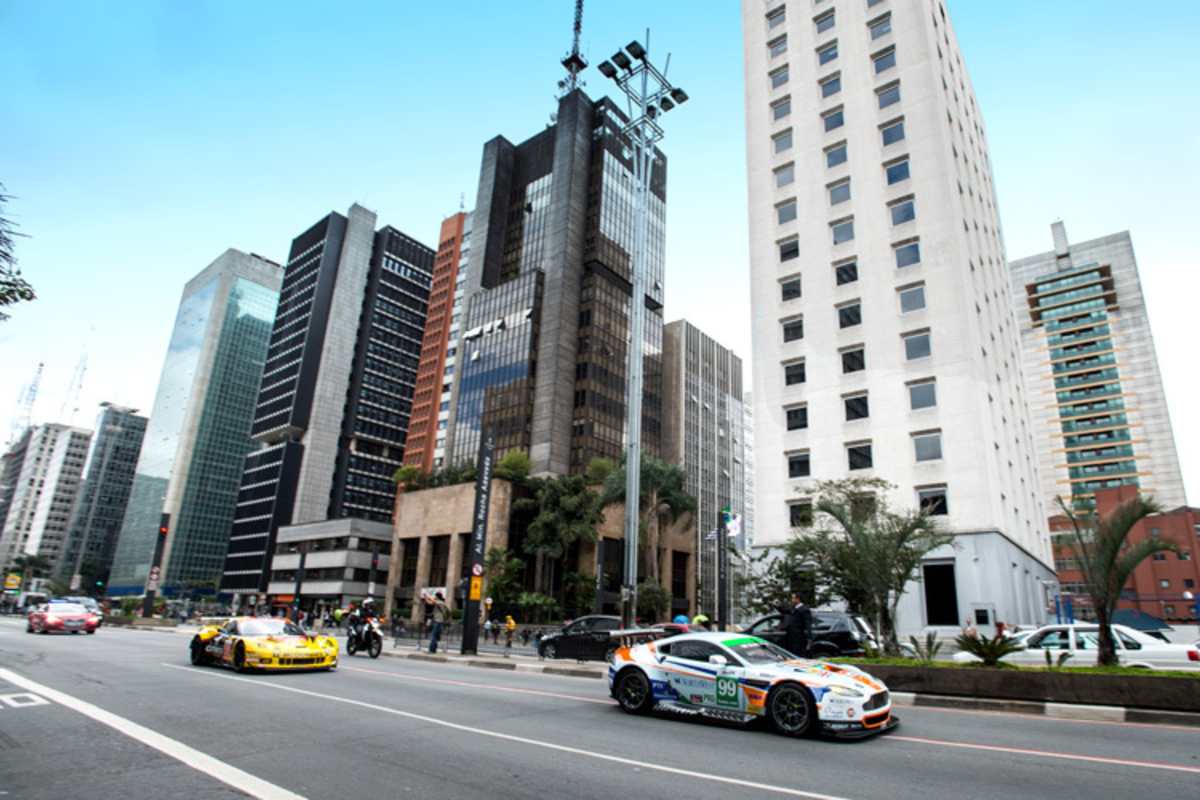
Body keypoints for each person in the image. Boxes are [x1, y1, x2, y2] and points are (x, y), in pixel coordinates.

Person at [784, 593, 812, 658]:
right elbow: (785, 611)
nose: (791, 600)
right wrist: (777, 605)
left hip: (799, 636)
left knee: (798, 654)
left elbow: (808, 624)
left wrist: (809, 638)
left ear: (798, 599)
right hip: (791, 636)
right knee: (791, 654)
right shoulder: (793, 608)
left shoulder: (804, 609)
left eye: (793, 598)